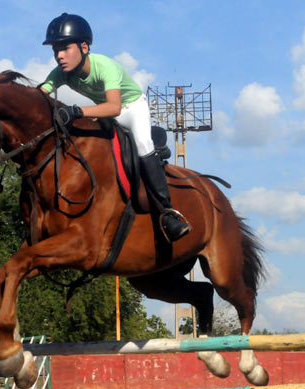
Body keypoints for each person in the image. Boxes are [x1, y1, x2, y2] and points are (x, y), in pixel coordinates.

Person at [39, 12, 191, 243]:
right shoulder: (61, 73)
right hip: (105, 110)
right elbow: (37, 97)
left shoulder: (106, 67)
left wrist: (77, 111)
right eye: (55, 50)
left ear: (84, 47)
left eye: (65, 48)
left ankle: (168, 213)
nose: (59, 56)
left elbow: (114, 107)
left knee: (142, 144)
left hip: (130, 108)